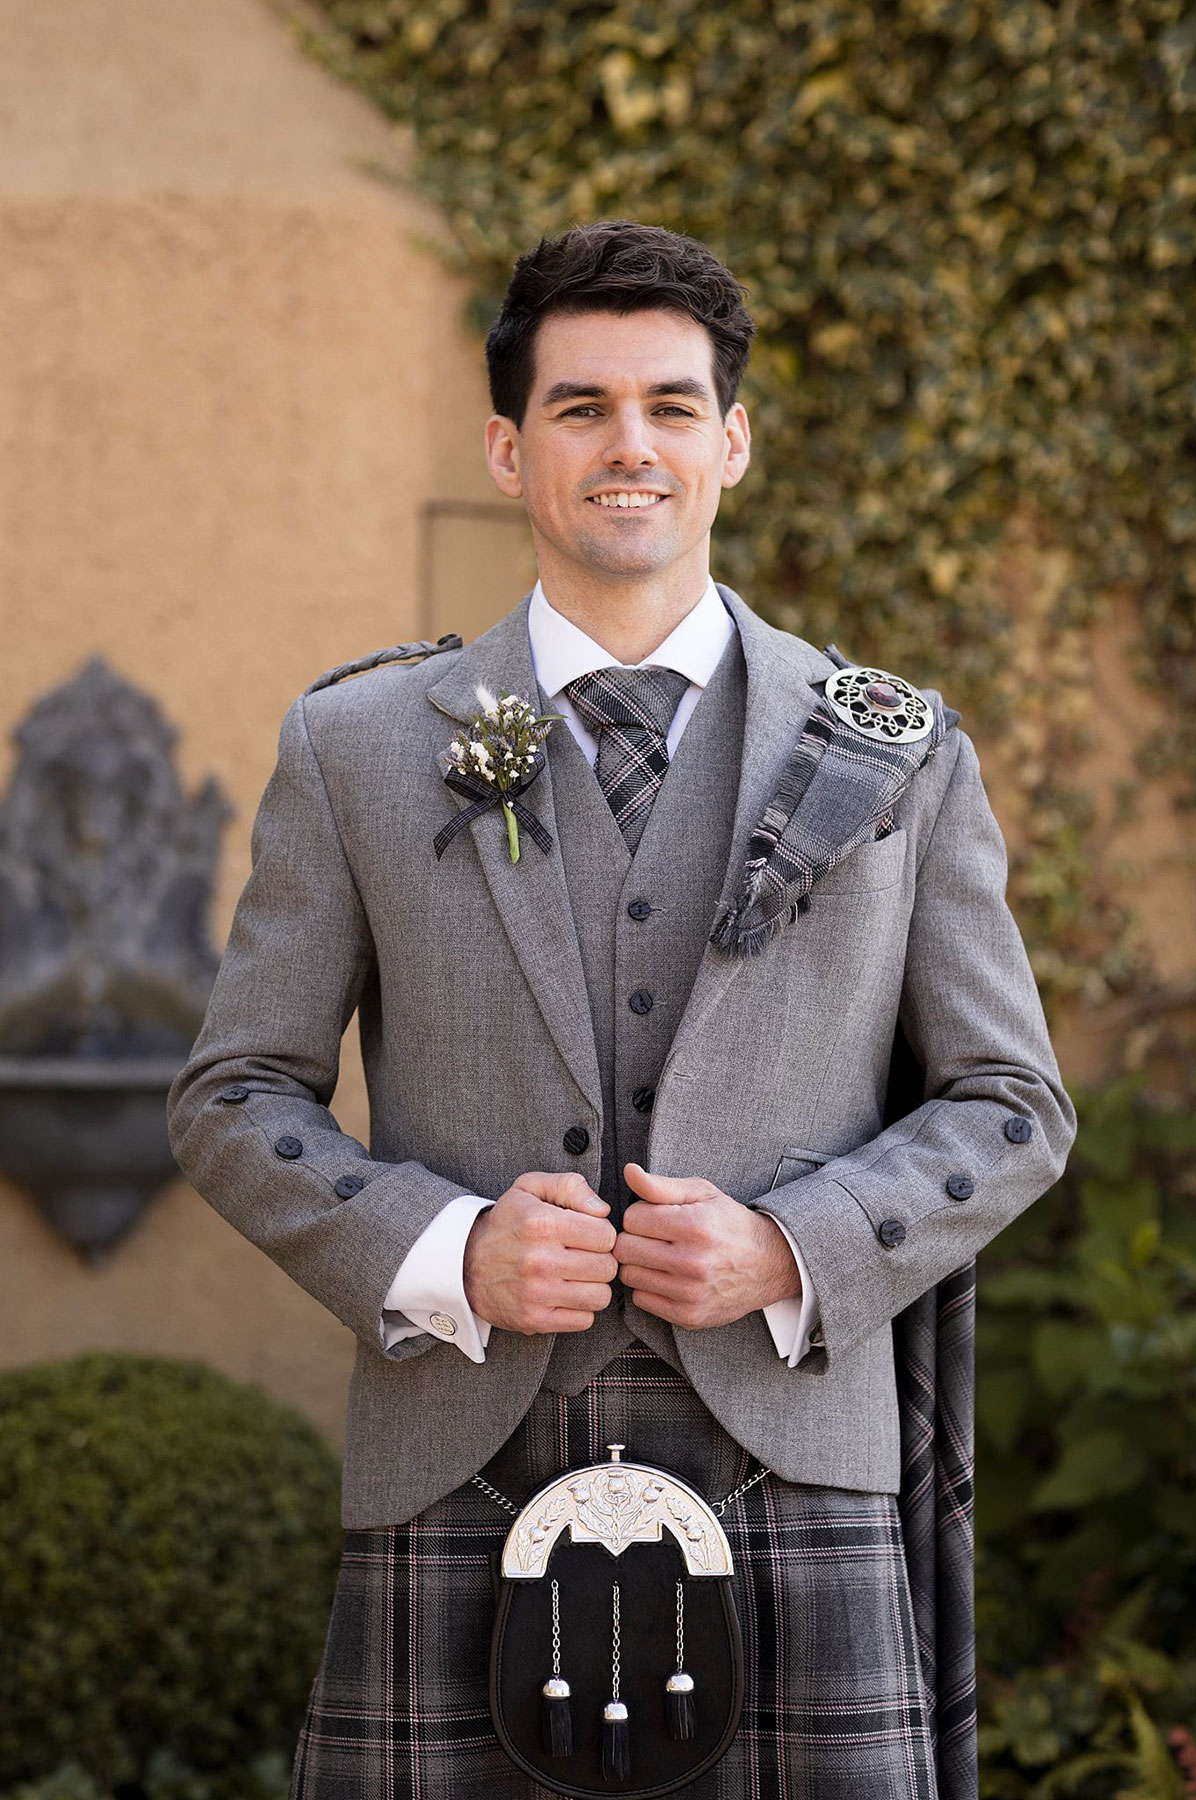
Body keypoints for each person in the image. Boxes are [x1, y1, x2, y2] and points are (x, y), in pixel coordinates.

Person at [167, 219, 1075, 1800]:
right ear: (512, 449)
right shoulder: (361, 745)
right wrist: (447, 1250)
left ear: (733, 440)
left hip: (798, 1465)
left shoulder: (903, 748)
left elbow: (1011, 1103)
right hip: (462, 1451)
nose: (628, 446)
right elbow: (234, 1093)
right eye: (581, 407)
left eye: (669, 404)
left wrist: (797, 1246)